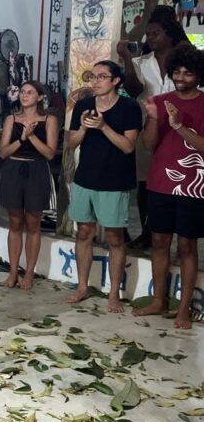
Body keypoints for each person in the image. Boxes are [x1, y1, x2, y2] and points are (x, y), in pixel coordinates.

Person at [134, 43, 204, 328]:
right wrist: (152, 117)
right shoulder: (159, 101)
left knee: (187, 246)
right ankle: (158, 300)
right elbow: (150, 145)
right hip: (160, 183)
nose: (180, 77)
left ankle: (184, 308)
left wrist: (178, 127)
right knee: (159, 242)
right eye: (176, 72)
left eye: (188, 73)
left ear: (199, 75)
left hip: (194, 187)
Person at [65, 60, 141, 313]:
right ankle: (82, 286)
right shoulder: (84, 105)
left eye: (101, 76)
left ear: (115, 81)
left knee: (114, 238)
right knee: (84, 233)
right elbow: (71, 143)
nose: (95, 81)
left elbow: (128, 146)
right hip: (85, 178)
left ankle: (114, 293)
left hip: (114, 180)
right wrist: (84, 128)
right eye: (92, 77)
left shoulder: (129, 107)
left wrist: (103, 126)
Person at [117, 7, 189, 249]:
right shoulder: (140, 62)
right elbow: (134, 89)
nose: (150, 38)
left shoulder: (184, 62)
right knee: (146, 182)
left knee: (180, 180)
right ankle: (148, 232)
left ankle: (179, 235)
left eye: (155, 33)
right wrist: (127, 59)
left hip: (181, 130)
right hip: (148, 128)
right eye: (148, 34)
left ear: (169, 34)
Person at [0, 80, 59, 289]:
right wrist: (22, 138)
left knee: (33, 223)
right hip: (13, 169)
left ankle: (29, 273)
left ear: (40, 97)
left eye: (30, 92)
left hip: (37, 170)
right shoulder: (11, 119)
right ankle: (13, 271)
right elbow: (3, 152)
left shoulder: (49, 119)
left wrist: (31, 137)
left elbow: (49, 153)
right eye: (22, 91)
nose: (24, 95)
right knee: (15, 223)